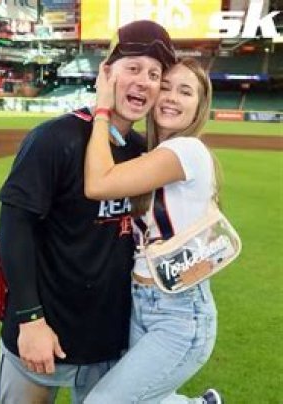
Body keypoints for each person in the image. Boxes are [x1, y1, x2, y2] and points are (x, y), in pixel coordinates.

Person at [0, 20, 176, 403]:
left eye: (154, 74)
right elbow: (14, 227)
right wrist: (30, 319)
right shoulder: (53, 139)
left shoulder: (145, 154)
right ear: (106, 73)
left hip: (110, 348)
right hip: (42, 336)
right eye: (133, 68)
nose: (144, 82)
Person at [82, 58, 222, 404]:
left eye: (185, 92)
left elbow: (98, 184)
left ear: (199, 107)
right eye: (167, 87)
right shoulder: (156, 152)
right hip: (143, 300)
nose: (172, 97)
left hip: (179, 312)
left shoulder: (186, 149)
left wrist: (103, 110)